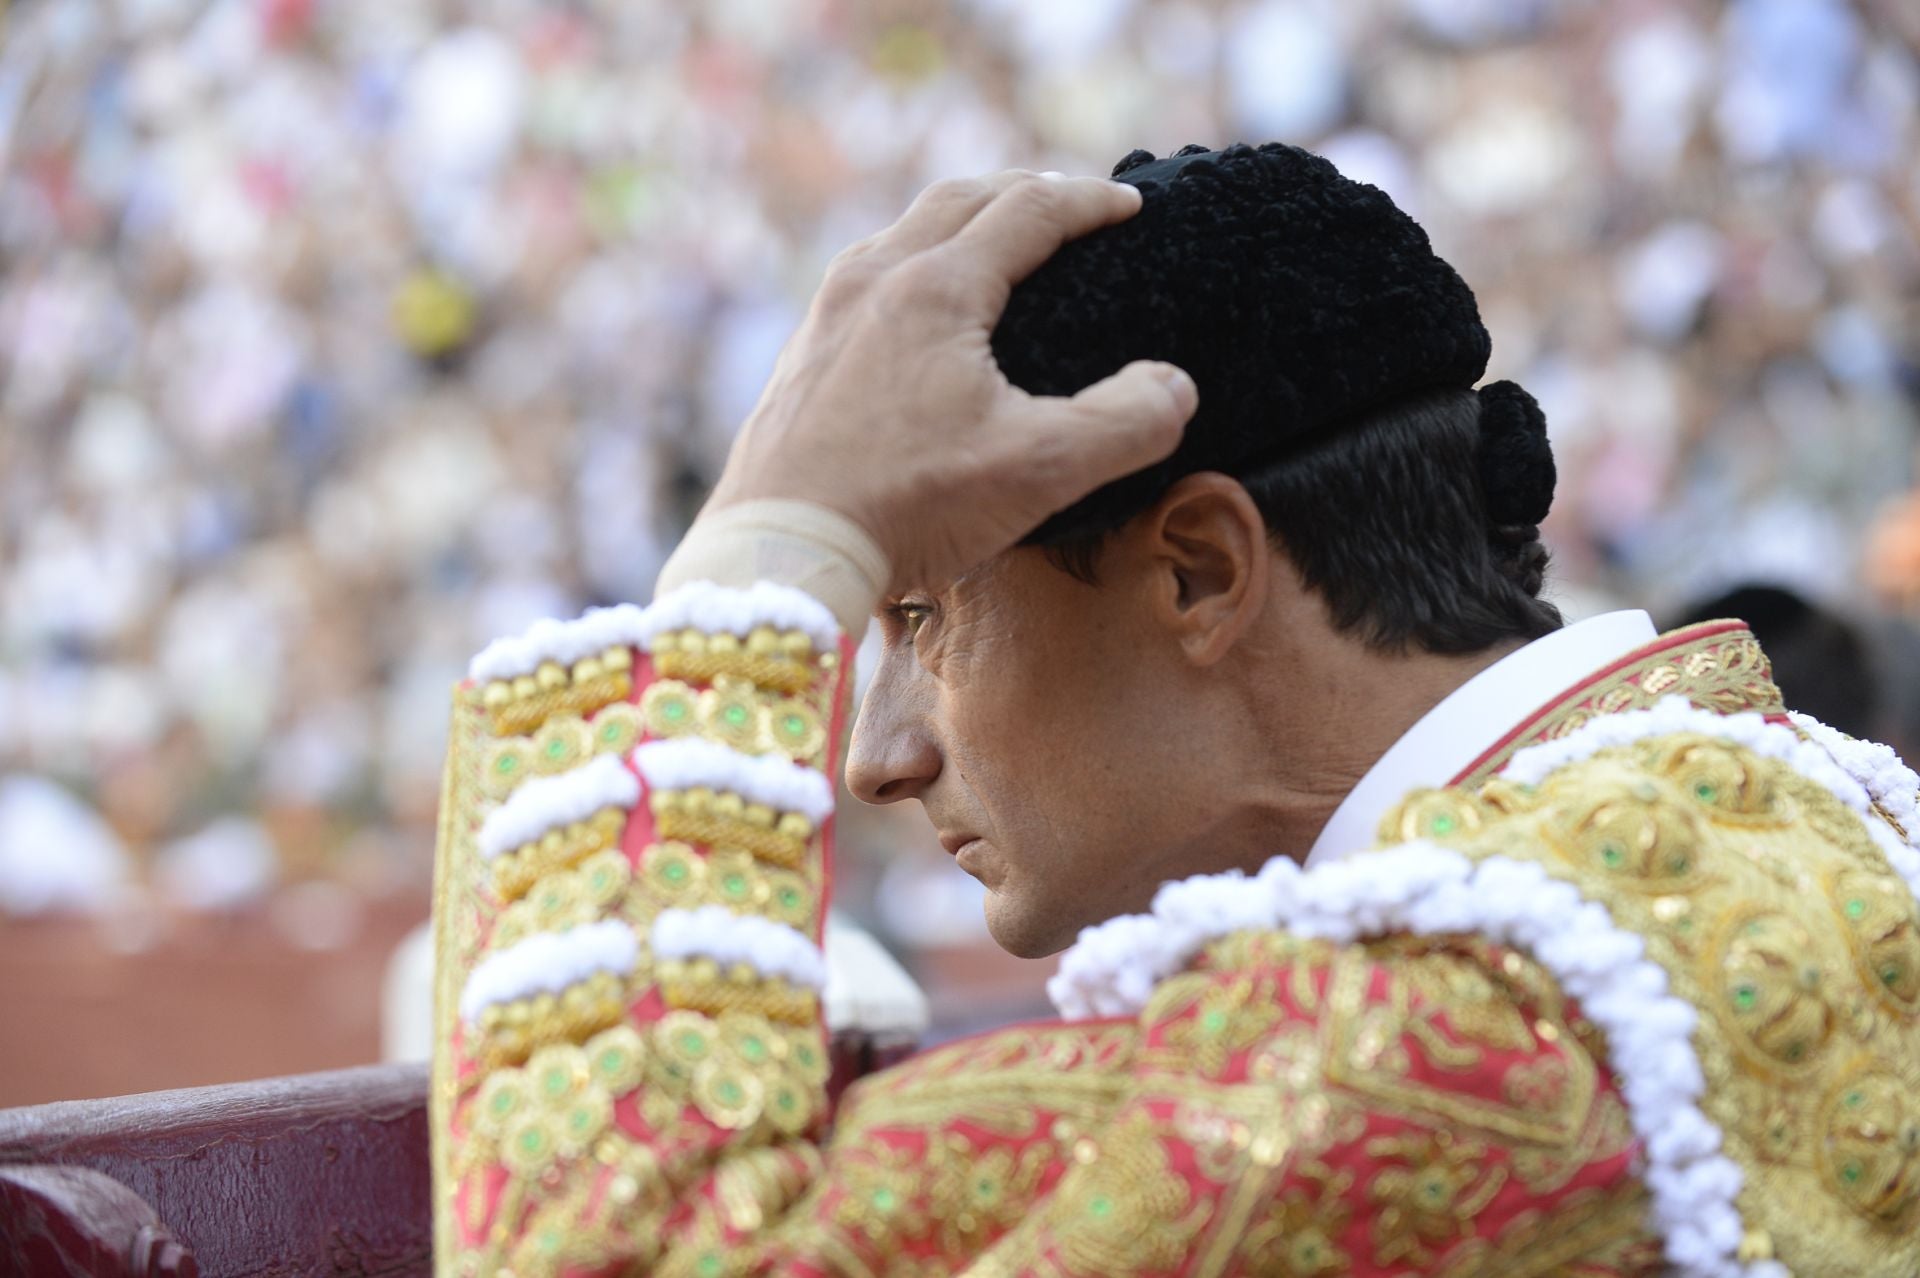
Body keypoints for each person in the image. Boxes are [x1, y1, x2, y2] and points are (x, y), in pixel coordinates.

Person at [428, 145, 1920, 1277]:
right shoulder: (1793, 796)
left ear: (1199, 572)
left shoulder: (1405, 1038)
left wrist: (755, 553)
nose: (880, 754)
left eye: (923, 616)